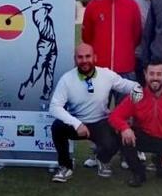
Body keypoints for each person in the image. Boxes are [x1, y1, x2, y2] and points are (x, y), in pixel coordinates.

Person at [49, 43, 141, 183]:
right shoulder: (67, 79)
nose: (84, 60)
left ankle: (102, 159)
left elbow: (133, 87)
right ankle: (65, 166)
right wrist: (77, 124)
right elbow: (54, 107)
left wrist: (131, 110)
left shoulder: (106, 75)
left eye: (88, 56)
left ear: (95, 58)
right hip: (77, 122)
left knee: (114, 139)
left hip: (100, 122)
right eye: (80, 57)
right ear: (75, 59)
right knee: (57, 127)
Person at [108, 60, 162, 187]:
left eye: (159, 74)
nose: (155, 78)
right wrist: (125, 128)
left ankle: (160, 162)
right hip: (143, 137)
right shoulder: (138, 94)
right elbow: (115, 116)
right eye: (151, 74)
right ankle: (138, 173)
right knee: (122, 137)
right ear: (145, 74)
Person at [81, 0, 142, 91]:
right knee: (97, 110)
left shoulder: (132, 6)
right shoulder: (93, 6)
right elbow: (87, 37)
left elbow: (136, 36)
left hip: (126, 69)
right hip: (99, 70)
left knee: (126, 109)